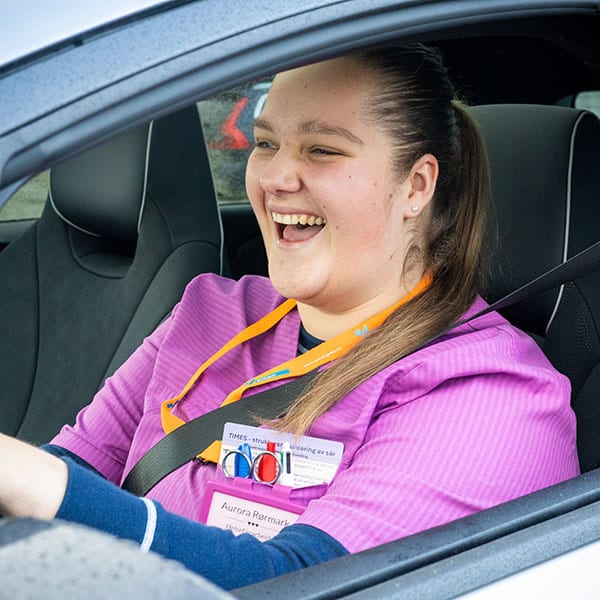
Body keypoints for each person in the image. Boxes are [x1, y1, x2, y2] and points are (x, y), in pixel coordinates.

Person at [0, 45, 579, 590]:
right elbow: (78, 462)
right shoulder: (211, 314)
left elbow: (297, 582)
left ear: (416, 185)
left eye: (322, 149)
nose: (275, 177)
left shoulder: (493, 397)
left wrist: (24, 477)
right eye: (265, 142)